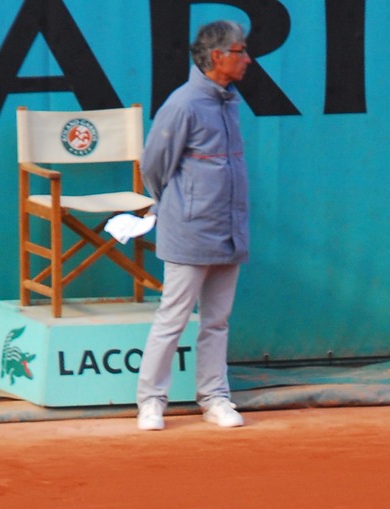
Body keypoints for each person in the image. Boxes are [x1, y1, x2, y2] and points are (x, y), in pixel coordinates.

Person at [135, 20, 251, 432]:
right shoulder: (183, 104)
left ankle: (215, 398)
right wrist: (181, 207)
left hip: (230, 229)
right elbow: (153, 166)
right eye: (240, 52)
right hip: (189, 230)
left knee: (217, 321)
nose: (247, 59)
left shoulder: (229, 102)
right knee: (173, 318)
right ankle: (150, 401)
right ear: (217, 57)